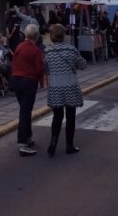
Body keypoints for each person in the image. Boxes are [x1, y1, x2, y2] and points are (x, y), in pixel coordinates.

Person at [44, 24, 86, 156]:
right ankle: (69, 145)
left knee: (57, 116)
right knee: (70, 116)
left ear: (51, 37)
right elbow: (82, 65)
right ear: (64, 36)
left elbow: (46, 69)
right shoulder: (71, 50)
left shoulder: (47, 52)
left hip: (55, 86)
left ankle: (53, 143)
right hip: (70, 86)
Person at [10, 24, 44, 157]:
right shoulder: (35, 51)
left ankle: (28, 137)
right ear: (37, 36)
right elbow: (39, 70)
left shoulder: (19, 46)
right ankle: (23, 143)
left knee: (25, 109)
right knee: (25, 111)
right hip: (28, 82)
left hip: (16, 80)